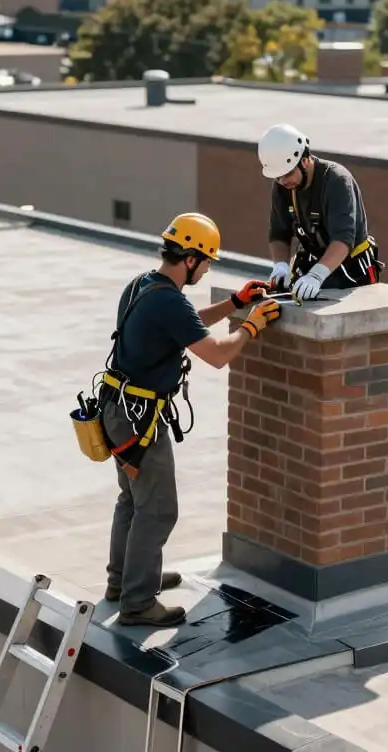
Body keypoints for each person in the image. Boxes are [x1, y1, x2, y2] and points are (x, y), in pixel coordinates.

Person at [97, 212, 281, 627]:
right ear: (192, 259)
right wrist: (250, 326)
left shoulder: (143, 285)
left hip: (118, 410)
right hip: (139, 420)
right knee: (159, 510)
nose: (209, 268)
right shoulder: (168, 300)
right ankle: (138, 601)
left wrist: (234, 304)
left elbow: (185, 324)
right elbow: (216, 354)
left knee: (133, 500)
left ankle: (124, 580)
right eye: (208, 261)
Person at [257, 123, 384, 302]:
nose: (283, 181)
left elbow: (343, 239)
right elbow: (279, 232)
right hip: (312, 258)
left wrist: (317, 275)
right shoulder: (283, 186)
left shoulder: (336, 181)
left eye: (287, 173)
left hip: (351, 267)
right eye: (278, 177)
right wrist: (280, 265)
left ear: (304, 160)